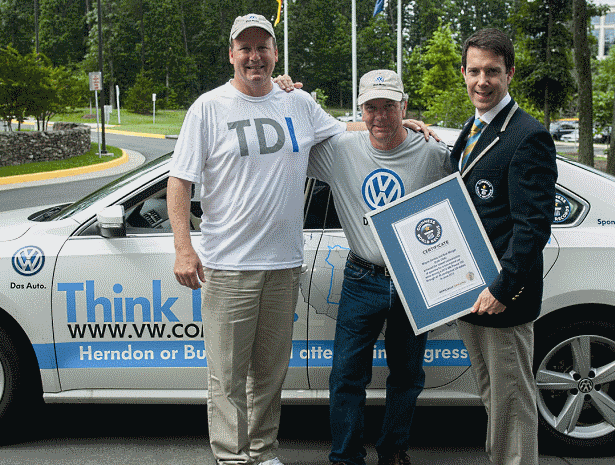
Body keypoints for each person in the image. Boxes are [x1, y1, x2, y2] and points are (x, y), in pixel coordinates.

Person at [167, 13, 348, 465]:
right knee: (227, 377)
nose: (254, 57)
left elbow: (345, 133)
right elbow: (179, 180)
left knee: (270, 374)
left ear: (275, 53)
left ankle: (264, 452)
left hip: (284, 266)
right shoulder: (208, 108)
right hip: (229, 267)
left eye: (262, 47)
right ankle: (232, 456)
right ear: (231, 54)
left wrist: (400, 122)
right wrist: (184, 248)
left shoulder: (297, 103)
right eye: (245, 48)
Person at [306, 70, 450, 465]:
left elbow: (464, 203)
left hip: (413, 279)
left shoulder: (432, 153)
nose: (381, 115)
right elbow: (291, 140)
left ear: (405, 106)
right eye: (372, 107)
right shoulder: (341, 150)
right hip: (361, 276)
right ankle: (345, 456)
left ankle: (393, 450)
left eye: (390, 106)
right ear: (360, 110)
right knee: (346, 375)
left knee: (407, 375)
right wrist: (284, 89)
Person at [449, 29, 557, 465]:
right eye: (474, 71)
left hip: (501, 298)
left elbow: (533, 226)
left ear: (510, 73)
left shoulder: (528, 135)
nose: (482, 81)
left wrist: (502, 288)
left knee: (512, 402)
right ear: (463, 73)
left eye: (492, 71)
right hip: (472, 294)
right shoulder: (473, 129)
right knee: (495, 397)